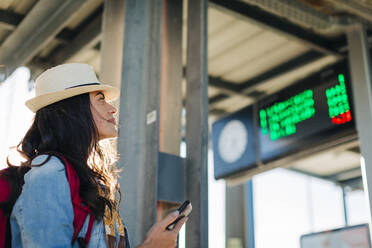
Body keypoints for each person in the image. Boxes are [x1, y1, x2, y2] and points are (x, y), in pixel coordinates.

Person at [5, 63, 187, 247]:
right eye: (100, 99)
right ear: (73, 110)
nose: (112, 108)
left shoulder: (88, 181)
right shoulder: (49, 171)